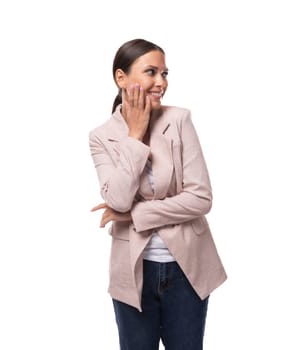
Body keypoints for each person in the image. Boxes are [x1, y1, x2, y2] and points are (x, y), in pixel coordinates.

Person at [89, 38, 227, 350]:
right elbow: (119, 199)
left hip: (187, 271)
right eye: (151, 72)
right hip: (132, 273)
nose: (160, 82)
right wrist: (135, 135)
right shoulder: (101, 137)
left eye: (165, 74)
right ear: (120, 78)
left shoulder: (178, 120)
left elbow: (201, 198)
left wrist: (134, 215)